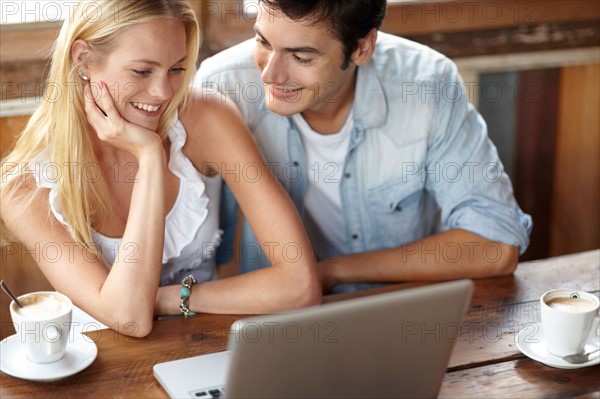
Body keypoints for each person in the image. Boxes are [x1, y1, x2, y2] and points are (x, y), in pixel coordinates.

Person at [0, 0, 321, 338]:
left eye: (176, 69)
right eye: (142, 71)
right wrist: (150, 156)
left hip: (202, 341)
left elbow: (300, 286)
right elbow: (130, 319)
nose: (163, 92)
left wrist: (169, 299)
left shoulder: (206, 118)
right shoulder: (24, 188)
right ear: (83, 60)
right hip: (103, 365)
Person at [196, 0, 533, 293]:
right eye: (263, 41)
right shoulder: (221, 87)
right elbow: (200, 250)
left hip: (401, 311)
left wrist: (331, 272)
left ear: (361, 48)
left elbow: (497, 245)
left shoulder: (428, 85)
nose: (270, 75)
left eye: (301, 57)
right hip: (278, 317)